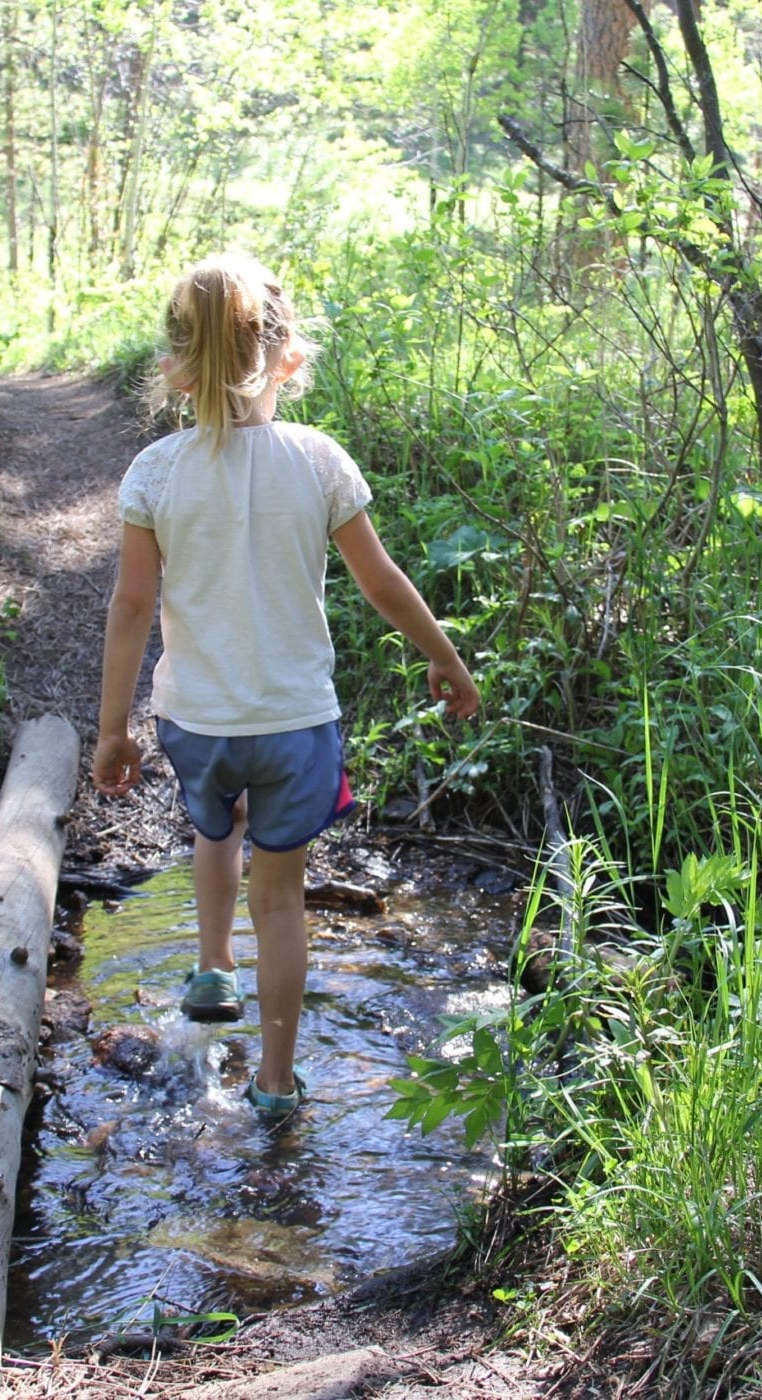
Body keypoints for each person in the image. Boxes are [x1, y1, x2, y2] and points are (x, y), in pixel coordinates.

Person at [93, 253, 480, 1121]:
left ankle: (210, 969)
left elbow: (130, 605)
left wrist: (113, 728)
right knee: (282, 899)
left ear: (173, 370)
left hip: (198, 720)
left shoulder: (154, 473)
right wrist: (445, 655)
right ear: (290, 359)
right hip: (297, 724)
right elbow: (380, 581)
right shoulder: (319, 460)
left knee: (216, 827)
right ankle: (274, 1083)